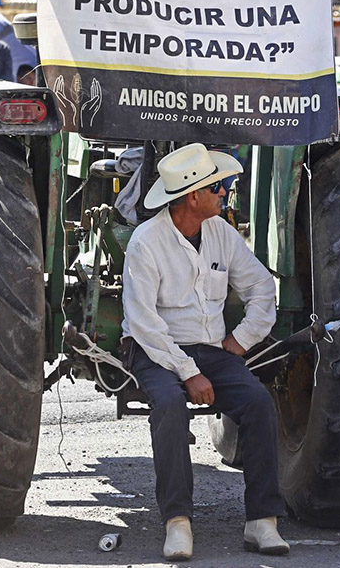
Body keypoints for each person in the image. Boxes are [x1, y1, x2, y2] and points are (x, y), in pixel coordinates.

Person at [121, 143, 287, 560]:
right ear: (192, 195)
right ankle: (178, 522)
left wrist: (241, 341)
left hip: (211, 348)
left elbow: (262, 288)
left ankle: (262, 521)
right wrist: (188, 371)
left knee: (258, 403)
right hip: (156, 349)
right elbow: (143, 324)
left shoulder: (221, 232)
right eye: (219, 188)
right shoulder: (146, 242)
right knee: (169, 405)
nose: (226, 194)